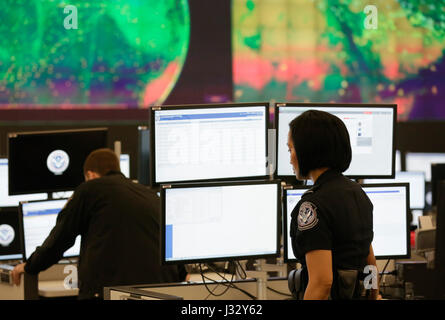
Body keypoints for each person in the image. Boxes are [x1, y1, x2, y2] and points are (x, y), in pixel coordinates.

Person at [12, 148, 185, 299]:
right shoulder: (149, 195)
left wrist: (31, 266)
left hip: (110, 292)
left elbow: (60, 238)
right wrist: (182, 273)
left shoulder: (90, 189)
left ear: (90, 175)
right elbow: (173, 249)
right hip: (161, 291)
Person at [287, 110, 380, 300]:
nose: (290, 159)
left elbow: (322, 283)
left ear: (307, 150)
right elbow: (369, 262)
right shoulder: (357, 193)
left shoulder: (312, 206)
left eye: (291, 150)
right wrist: (374, 296)